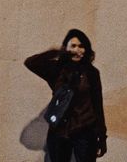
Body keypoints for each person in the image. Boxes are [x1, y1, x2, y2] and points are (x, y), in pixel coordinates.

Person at [24, 29, 107, 162]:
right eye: (73, 46)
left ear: (86, 49)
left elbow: (97, 104)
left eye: (81, 46)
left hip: (85, 131)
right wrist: (57, 52)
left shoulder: (91, 73)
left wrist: (102, 136)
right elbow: (30, 63)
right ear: (66, 48)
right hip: (59, 132)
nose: (77, 50)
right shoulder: (57, 70)